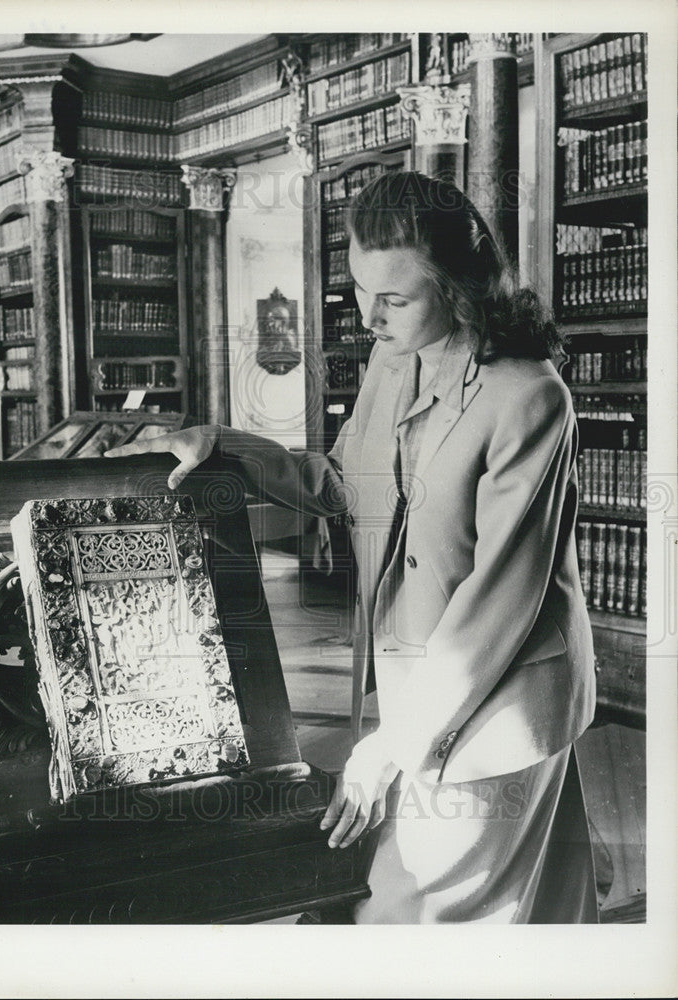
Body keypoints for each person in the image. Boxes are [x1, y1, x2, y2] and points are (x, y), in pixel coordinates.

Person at [106, 171, 599, 924]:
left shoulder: (530, 398)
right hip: (420, 691)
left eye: (395, 298)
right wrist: (226, 449)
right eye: (361, 289)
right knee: (524, 917)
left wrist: (391, 744)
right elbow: (343, 483)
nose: (369, 316)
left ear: (462, 289)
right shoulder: (393, 360)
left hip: (501, 702)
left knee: (421, 916)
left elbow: (499, 600)